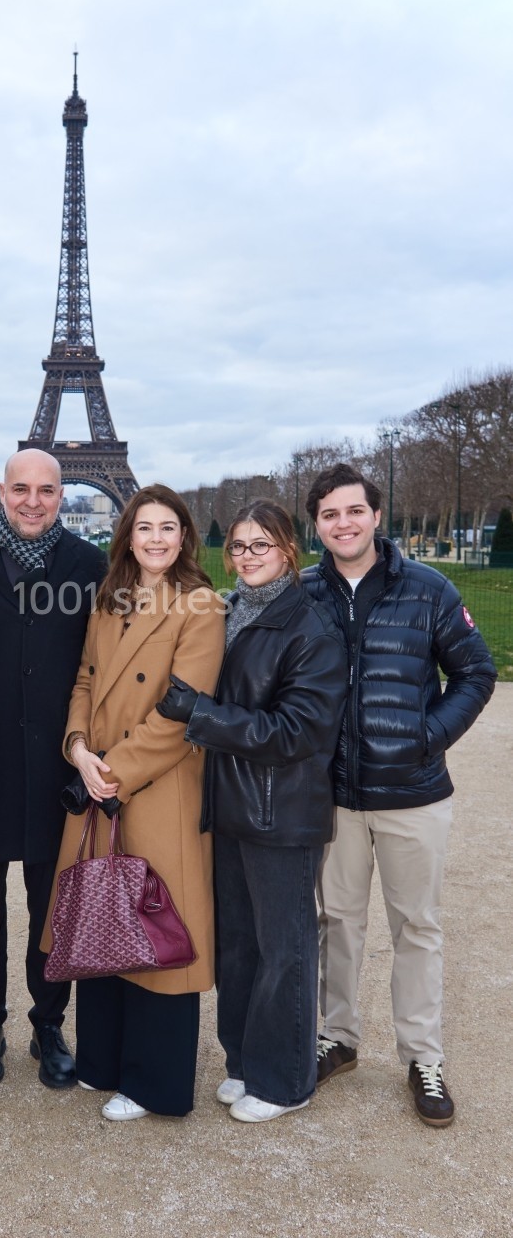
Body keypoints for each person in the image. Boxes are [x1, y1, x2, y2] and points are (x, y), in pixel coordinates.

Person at [303, 463, 497, 1127]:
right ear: (317, 524)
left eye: (354, 511)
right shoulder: (303, 593)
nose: (344, 523)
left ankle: (423, 1055)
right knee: (338, 923)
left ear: (376, 515)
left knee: (418, 926)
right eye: (330, 514)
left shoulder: (429, 589)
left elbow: (475, 672)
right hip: (334, 794)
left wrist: (429, 736)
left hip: (414, 792)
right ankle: (339, 1037)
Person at [157, 500, 346, 1123]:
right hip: (235, 804)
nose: (246, 557)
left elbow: (298, 731)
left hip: (281, 813)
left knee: (283, 948)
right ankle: (243, 1060)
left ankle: (286, 1078)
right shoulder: (231, 610)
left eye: (259, 546)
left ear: (289, 550)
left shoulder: (310, 627)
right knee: (238, 946)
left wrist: (200, 717)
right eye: (237, 547)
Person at [47, 484, 225, 1121]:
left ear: (184, 538)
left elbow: (183, 710)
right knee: (105, 919)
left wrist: (111, 770)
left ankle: (154, 1082)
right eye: (144, 527)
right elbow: (87, 679)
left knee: (157, 933)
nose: (155, 538)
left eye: (168, 528)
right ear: (128, 536)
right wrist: (77, 748)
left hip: (155, 784)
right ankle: (104, 1060)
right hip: (100, 777)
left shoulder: (200, 605)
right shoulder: (110, 598)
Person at [0, 449, 107, 1091]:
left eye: (46, 490)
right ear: (2, 490)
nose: (33, 501)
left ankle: (50, 1022)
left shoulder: (91, 566)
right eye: (21, 489)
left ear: (60, 493)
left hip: (54, 768)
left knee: (54, 909)